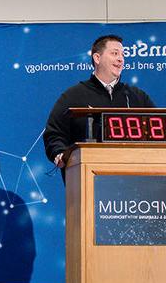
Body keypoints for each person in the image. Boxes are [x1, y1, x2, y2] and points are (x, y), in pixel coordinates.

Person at [43, 34, 155, 177]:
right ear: (97, 58)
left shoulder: (137, 97)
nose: (121, 59)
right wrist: (59, 153)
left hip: (134, 181)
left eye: (123, 54)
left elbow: (156, 134)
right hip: (86, 179)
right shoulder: (73, 96)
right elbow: (54, 133)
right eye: (115, 53)